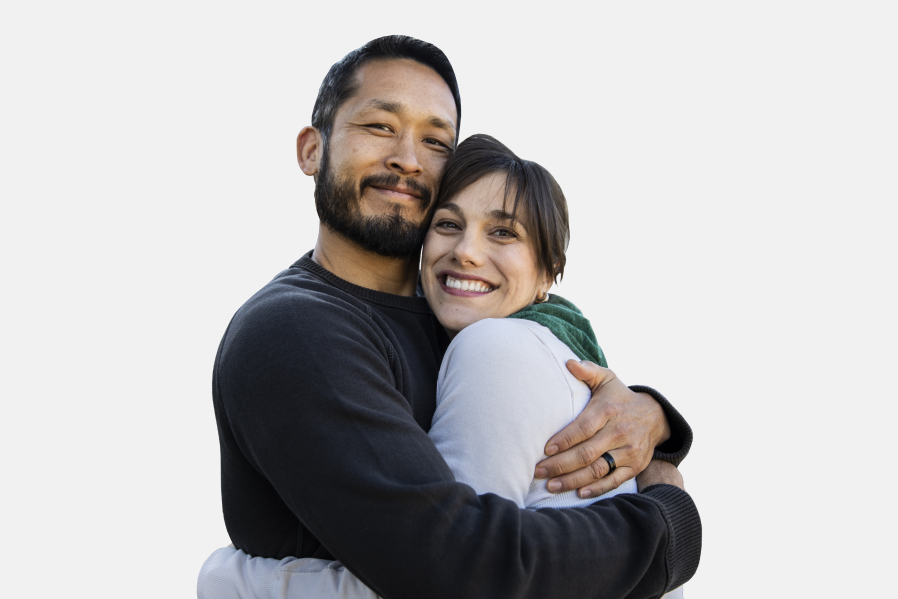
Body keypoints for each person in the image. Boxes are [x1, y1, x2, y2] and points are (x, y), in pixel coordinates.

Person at [201, 35, 700, 599]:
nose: (407, 159)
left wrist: (655, 422)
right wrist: (667, 526)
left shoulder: (468, 317)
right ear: (312, 150)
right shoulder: (295, 332)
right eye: (380, 126)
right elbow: (456, 568)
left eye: (435, 141)